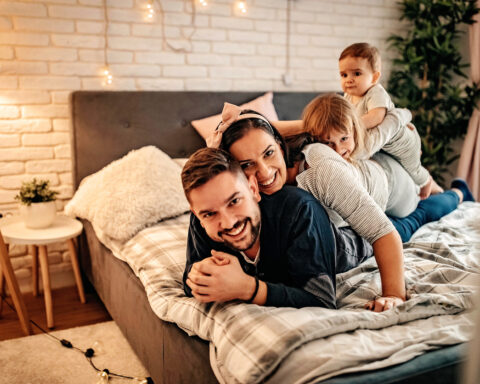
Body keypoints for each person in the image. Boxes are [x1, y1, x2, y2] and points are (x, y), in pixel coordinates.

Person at [181, 147, 403, 311]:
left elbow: (322, 300)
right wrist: (202, 277)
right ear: (196, 213)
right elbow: (190, 283)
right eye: (209, 214)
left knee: (407, 222)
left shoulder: (299, 209)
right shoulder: (201, 219)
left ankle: (435, 195)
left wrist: (248, 288)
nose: (228, 222)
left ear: (252, 188)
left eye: (234, 201)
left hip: (340, 244)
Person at [338, 42, 441, 198]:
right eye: (344, 75)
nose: (349, 80)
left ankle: (428, 182)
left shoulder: (375, 92)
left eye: (357, 74)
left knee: (413, 169)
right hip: (385, 145)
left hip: (403, 143)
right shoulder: (348, 96)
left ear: (374, 76)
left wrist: (350, 127)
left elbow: (376, 118)